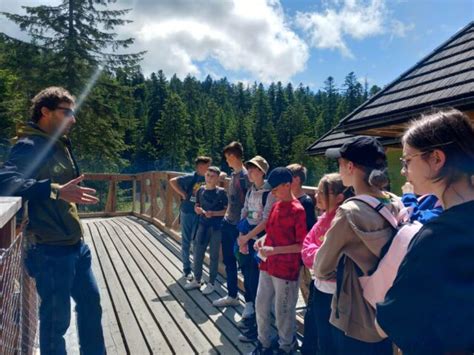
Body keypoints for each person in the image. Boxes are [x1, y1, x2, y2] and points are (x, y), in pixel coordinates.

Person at [0, 87, 105, 354]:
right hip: (49, 249)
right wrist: (55, 190)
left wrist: (63, 192)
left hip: (75, 244)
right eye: (66, 111)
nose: (73, 118)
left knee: (91, 304)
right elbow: (5, 181)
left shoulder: (58, 144)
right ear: (45, 112)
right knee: (56, 324)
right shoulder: (29, 145)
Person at [376, 109, 474, 354]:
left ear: (436, 159)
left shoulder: (437, 237)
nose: (403, 171)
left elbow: (391, 321)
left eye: (407, 161)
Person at [314, 136, 402, 355]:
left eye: (340, 163)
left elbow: (321, 267)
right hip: (386, 312)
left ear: (350, 166)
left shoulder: (349, 212)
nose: (339, 168)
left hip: (354, 317)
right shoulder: (394, 203)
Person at [251, 167, 307, 355]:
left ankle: (286, 346)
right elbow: (272, 233)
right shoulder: (275, 205)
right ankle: (263, 342)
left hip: (286, 270)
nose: (272, 192)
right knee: (261, 305)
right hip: (267, 265)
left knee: (283, 311)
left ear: (288, 185)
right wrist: (261, 241)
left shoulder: (298, 210)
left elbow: (301, 245)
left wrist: (274, 250)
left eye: (275, 189)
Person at [301, 173, 352, 355]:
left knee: (332, 341)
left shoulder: (342, 221)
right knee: (320, 336)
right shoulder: (322, 219)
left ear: (339, 197)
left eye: (322, 192)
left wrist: (319, 259)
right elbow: (306, 247)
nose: (317, 195)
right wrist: (322, 258)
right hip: (320, 287)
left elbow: (333, 259)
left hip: (336, 294)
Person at [235, 155, 276, 342]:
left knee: (259, 281)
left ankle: (259, 327)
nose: (249, 172)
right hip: (248, 235)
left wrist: (246, 239)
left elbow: (267, 221)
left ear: (262, 172)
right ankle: (252, 314)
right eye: (249, 168)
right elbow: (244, 211)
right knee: (249, 275)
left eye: (253, 169)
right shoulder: (252, 190)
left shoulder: (270, 193)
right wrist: (241, 237)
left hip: (260, 239)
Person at [213, 142, 250, 307]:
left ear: (233, 156)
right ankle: (232, 295)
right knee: (229, 261)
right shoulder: (234, 175)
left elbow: (250, 203)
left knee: (244, 264)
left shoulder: (245, 176)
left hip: (240, 226)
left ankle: (249, 303)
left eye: (228, 157)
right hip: (229, 223)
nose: (226, 161)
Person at [184, 166, 228, 295]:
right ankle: (197, 279)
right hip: (202, 225)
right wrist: (197, 209)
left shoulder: (221, 192)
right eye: (208, 175)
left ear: (217, 179)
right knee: (198, 253)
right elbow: (197, 205)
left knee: (214, 256)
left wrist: (213, 213)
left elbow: (226, 211)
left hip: (216, 228)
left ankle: (211, 283)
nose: (209, 178)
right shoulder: (200, 190)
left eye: (212, 176)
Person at [169, 156, 212, 279]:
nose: (209, 168)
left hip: (200, 213)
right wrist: (183, 193)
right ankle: (186, 269)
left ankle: (196, 268)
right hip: (188, 212)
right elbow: (172, 181)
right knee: (186, 241)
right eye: (208, 166)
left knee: (197, 242)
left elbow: (220, 173)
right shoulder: (190, 177)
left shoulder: (207, 177)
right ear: (200, 167)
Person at [286, 163, 316, 306]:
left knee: (306, 287)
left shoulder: (306, 202)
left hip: (299, 253)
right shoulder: (287, 199)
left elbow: (309, 229)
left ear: (296, 179)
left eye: (288, 177)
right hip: (288, 251)